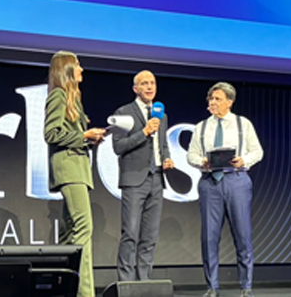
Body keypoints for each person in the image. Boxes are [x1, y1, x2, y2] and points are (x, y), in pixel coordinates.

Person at [186, 82, 263, 297]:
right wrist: (201, 162)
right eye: (211, 99)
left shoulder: (242, 124)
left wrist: (243, 160)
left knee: (242, 234)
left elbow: (257, 151)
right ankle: (212, 287)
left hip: (236, 180)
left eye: (217, 99)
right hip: (210, 182)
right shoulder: (201, 127)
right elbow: (190, 155)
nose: (213, 102)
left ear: (229, 102)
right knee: (209, 237)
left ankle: (246, 287)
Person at [44, 51, 106, 297]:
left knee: (71, 234)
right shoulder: (58, 95)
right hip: (69, 169)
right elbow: (51, 133)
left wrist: (90, 139)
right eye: (78, 65)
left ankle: (64, 288)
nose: (82, 69)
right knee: (83, 229)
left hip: (77, 167)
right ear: (67, 68)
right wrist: (83, 135)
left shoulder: (73, 99)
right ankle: (85, 293)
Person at [111, 70, 174, 281]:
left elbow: (162, 144)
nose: (149, 87)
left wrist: (166, 158)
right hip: (134, 180)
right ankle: (126, 284)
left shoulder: (161, 115)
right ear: (135, 89)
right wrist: (144, 132)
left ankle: (144, 282)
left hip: (157, 179)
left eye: (152, 83)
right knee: (130, 234)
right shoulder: (123, 112)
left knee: (150, 236)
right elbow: (118, 147)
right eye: (144, 83)